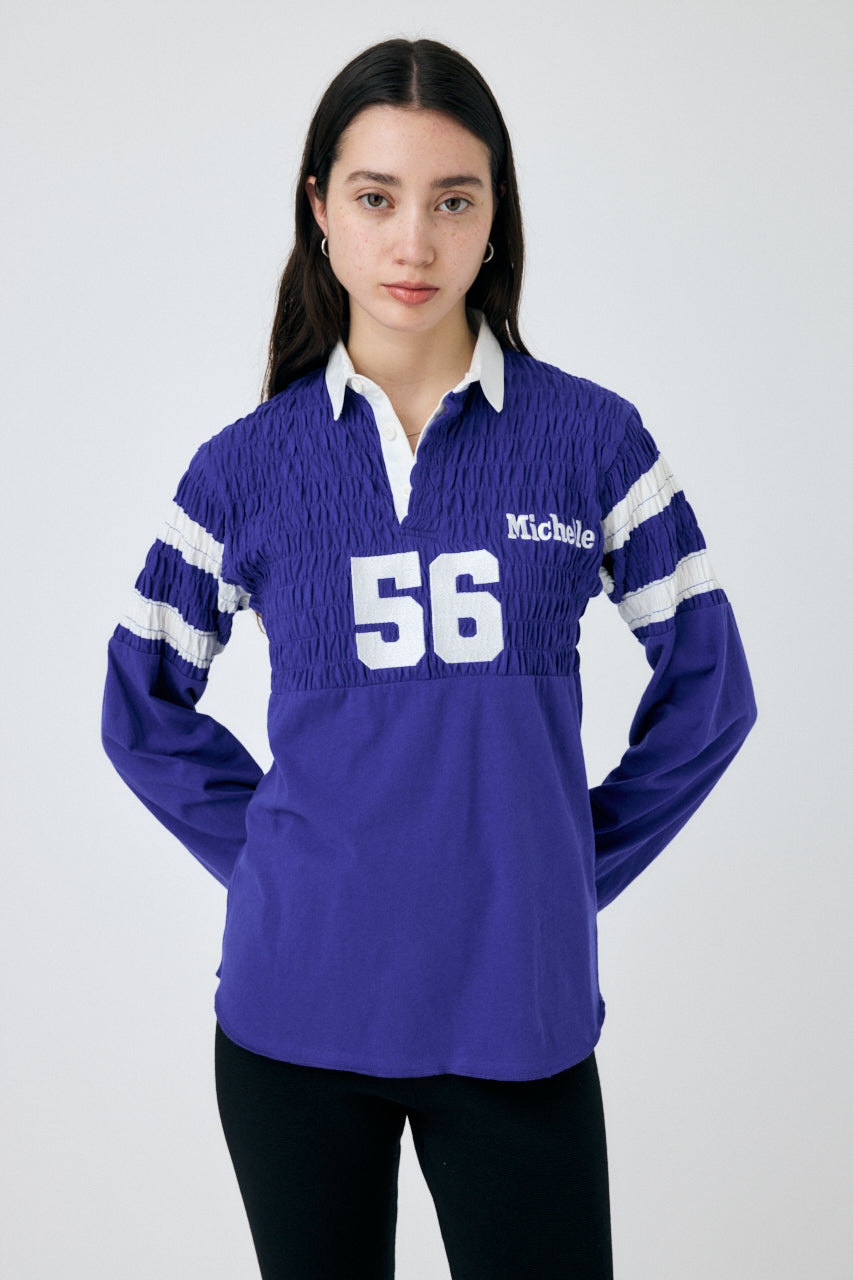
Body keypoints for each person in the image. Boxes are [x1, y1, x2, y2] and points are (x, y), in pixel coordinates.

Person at [101, 36, 757, 1280]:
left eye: (453, 200)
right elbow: (139, 704)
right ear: (320, 210)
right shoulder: (244, 468)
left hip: (519, 1015)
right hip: (293, 1024)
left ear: (496, 215)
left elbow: (711, 694)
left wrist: (562, 860)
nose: (414, 241)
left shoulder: (591, 440)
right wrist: (285, 865)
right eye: (376, 197)